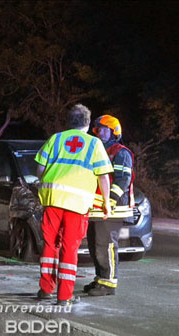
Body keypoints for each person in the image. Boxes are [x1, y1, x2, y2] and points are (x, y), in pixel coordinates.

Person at [34, 104, 113, 306]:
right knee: (70, 248)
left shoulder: (55, 139)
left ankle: (45, 289)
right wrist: (106, 203)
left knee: (50, 245)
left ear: (69, 122)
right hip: (77, 204)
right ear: (87, 123)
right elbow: (103, 177)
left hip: (52, 200)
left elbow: (40, 169)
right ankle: (64, 296)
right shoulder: (94, 144)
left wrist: (47, 186)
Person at [84, 115, 135, 296]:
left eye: (104, 129)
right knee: (95, 245)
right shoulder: (97, 150)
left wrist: (110, 201)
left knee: (105, 245)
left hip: (113, 208)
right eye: (98, 130)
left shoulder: (120, 152)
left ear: (114, 132)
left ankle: (109, 283)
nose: (100, 133)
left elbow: (123, 180)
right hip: (97, 208)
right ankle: (100, 279)